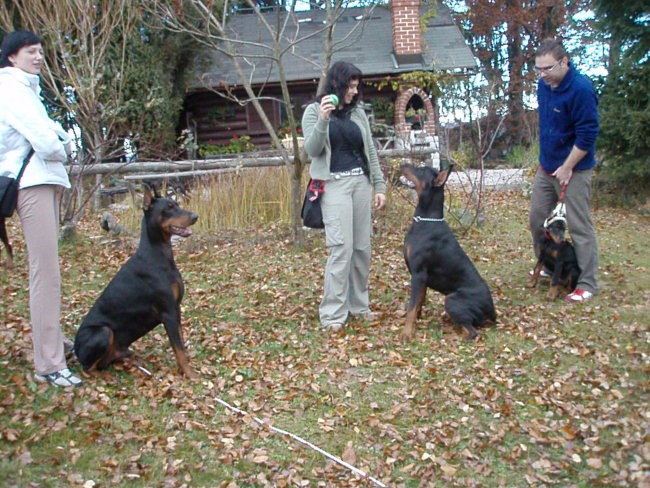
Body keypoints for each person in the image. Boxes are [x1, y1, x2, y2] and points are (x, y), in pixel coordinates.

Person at [0, 30, 82, 387]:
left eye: (41, 52)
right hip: (31, 184)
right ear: (11, 57)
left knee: (48, 272)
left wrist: (60, 141)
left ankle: (52, 344)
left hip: (42, 181)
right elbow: (48, 140)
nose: (38, 57)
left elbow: (54, 132)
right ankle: (49, 363)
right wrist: (64, 148)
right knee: (44, 273)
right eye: (31, 52)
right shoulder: (11, 90)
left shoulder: (28, 91)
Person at [302, 61, 387, 331]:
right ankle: (332, 314)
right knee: (341, 249)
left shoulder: (358, 113)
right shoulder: (314, 112)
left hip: (360, 183)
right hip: (334, 185)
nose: (354, 91)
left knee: (362, 249)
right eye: (350, 86)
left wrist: (379, 185)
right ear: (336, 85)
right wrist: (324, 121)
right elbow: (313, 150)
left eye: (356, 86)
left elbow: (370, 151)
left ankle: (358, 306)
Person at [529, 39, 600, 303]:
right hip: (546, 167)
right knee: (537, 219)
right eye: (538, 69)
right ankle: (549, 267)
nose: (542, 74)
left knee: (579, 226)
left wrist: (568, 166)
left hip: (576, 169)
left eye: (547, 68)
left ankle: (587, 283)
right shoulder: (543, 86)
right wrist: (546, 161)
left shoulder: (581, 90)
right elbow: (548, 124)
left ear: (564, 62)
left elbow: (588, 134)